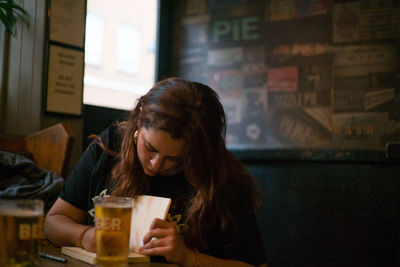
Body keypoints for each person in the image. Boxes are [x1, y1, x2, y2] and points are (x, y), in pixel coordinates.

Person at [44, 77, 267, 267]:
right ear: (140, 119)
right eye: (150, 148)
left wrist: (188, 257)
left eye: (175, 159)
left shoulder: (223, 178)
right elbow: (53, 222)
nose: (156, 164)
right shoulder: (110, 146)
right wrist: (85, 237)